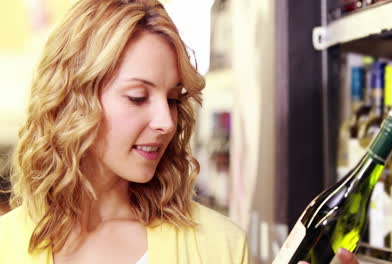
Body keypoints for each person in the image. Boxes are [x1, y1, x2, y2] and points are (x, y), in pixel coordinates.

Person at [0, 0, 360, 263]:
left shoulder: (219, 246)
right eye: (139, 97)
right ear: (73, 102)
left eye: (173, 99)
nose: (166, 122)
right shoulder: (6, 244)